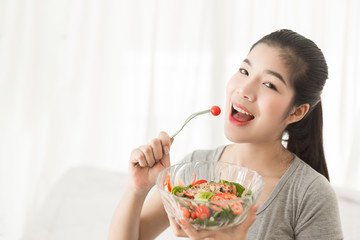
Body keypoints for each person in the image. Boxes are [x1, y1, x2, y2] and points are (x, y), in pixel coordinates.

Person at [108, 29, 343, 240]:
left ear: (296, 111)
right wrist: (137, 189)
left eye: (269, 85)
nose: (244, 89)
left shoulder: (310, 194)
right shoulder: (194, 169)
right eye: (244, 71)